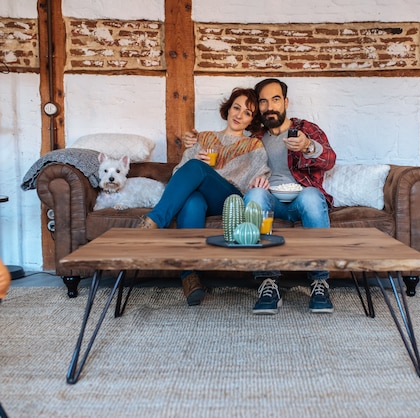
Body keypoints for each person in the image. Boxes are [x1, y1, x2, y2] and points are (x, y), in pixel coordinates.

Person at [138, 87, 270, 306]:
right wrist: (193, 158)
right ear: (228, 110)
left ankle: (154, 221)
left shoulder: (254, 145)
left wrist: (260, 180)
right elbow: (179, 173)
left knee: (196, 168)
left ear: (252, 120)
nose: (239, 115)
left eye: (247, 113)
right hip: (201, 198)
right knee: (192, 201)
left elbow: (260, 176)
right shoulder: (204, 138)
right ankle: (189, 277)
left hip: (229, 200)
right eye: (236, 108)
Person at [244, 78, 337, 315]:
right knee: (254, 195)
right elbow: (236, 170)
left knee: (312, 197)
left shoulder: (306, 130)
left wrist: (307, 146)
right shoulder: (254, 138)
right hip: (270, 200)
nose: (269, 106)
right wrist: (251, 179)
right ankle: (268, 282)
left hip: (300, 200)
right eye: (263, 101)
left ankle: (319, 281)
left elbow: (329, 160)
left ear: (285, 102)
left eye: (275, 99)